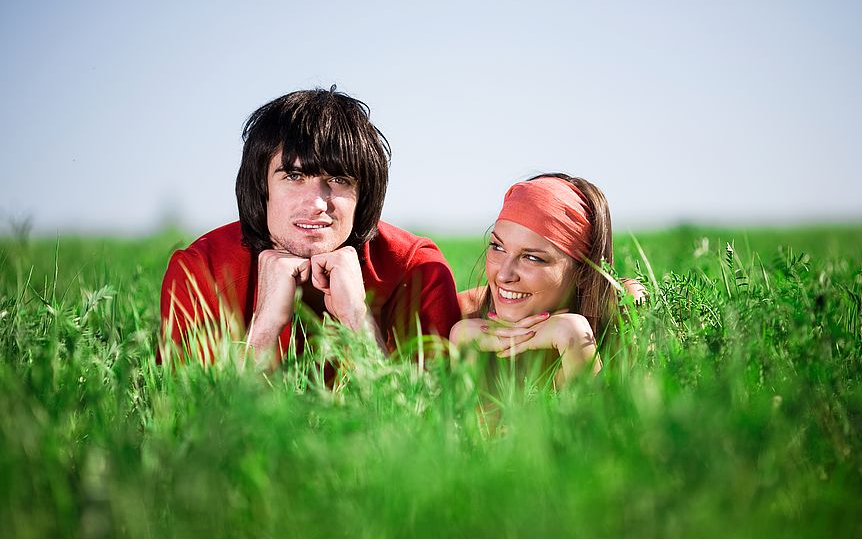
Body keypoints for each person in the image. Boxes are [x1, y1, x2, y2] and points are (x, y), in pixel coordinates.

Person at [159, 86, 460, 367]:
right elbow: (190, 418)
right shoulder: (201, 270)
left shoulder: (418, 270)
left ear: (364, 195)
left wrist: (359, 320)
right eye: (293, 177)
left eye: (339, 180)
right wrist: (265, 327)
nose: (317, 203)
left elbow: (423, 418)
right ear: (260, 187)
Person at [450, 173, 645, 386]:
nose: (504, 275)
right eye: (498, 247)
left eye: (532, 258)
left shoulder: (626, 305)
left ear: (583, 272)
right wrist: (465, 344)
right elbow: (475, 419)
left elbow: (632, 416)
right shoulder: (464, 315)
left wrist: (573, 337)